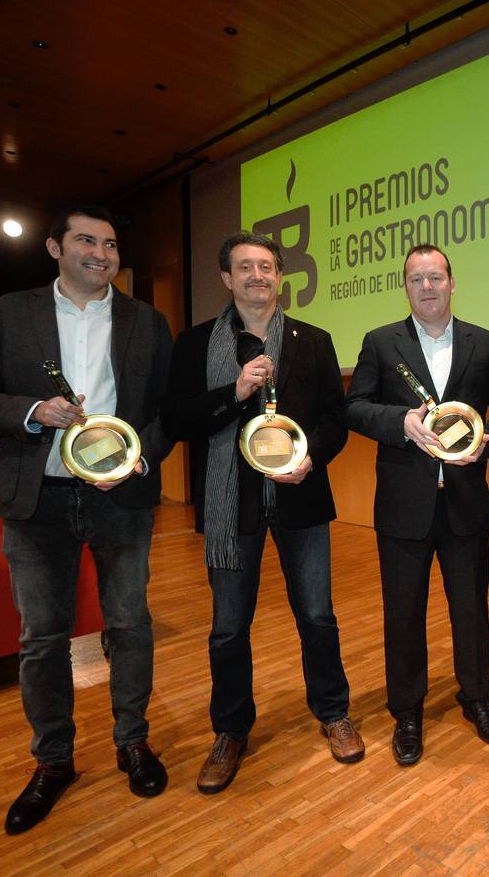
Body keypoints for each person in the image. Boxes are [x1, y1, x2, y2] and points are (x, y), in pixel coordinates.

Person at [0, 205, 173, 835]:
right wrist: (30, 411)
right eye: (85, 240)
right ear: (54, 247)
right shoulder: (6, 313)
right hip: (38, 498)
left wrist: (137, 459)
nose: (100, 253)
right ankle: (53, 762)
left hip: (119, 497)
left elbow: (163, 412)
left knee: (130, 625)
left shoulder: (145, 322)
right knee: (42, 638)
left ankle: (132, 741)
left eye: (109, 243)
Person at [161, 232, 361, 793]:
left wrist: (310, 458)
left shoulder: (313, 340)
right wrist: (236, 390)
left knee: (318, 617)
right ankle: (230, 731)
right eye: (244, 267)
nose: (257, 276)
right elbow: (178, 421)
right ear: (226, 278)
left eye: (266, 267)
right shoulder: (196, 343)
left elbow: (334, 418)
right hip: (233, 508)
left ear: (279, 276)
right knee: (228, 629)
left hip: (300, 498)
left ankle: (333, 713)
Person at [344, 243, 489, 766]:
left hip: (465, 502)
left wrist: (485, 439)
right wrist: (400, 424)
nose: (427, 287)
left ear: (452, 282)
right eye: (416, 278)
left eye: (435, 277)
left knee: (471, 610)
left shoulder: (484, 343)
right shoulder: (381, 342)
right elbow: (354, 407)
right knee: (403, 615)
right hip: (404, 506)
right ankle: (408, 711)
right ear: (406, 286)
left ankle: (477, 697)